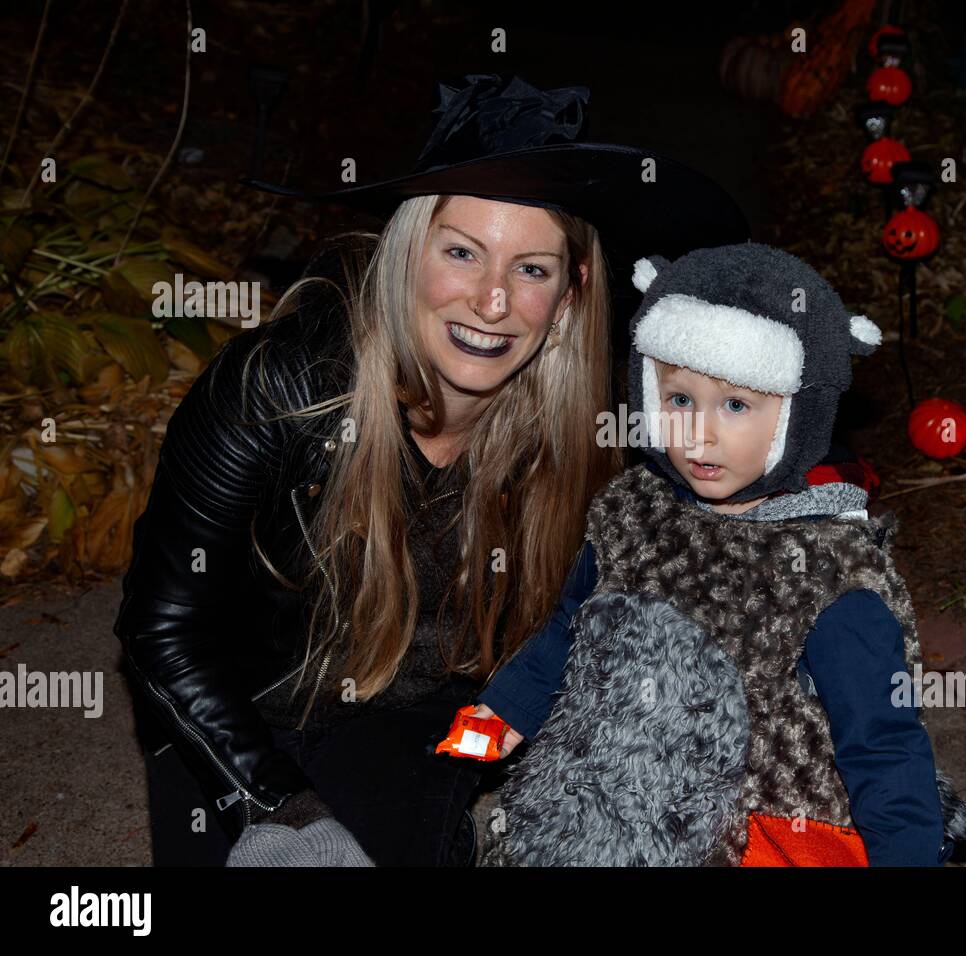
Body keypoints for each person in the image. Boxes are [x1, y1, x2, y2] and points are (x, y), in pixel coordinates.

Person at [112, 73, 749, 866]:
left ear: (571, 293)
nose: (491, 300)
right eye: (461, 252)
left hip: (407, 715)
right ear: (409, 255)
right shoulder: (277, 386)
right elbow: (162, 628)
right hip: (238, 713)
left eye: (531, 269)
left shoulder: (604, 430)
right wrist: (280, 805)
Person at [463, 243, 966, 866]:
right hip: (603, 795)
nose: (699, 433)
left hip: (748, 832)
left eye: (737, 405)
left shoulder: (828, 575)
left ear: (795, 414)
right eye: (680, 400)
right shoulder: (634, 514)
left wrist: (903, 853)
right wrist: (501, 715)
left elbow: (882, 740)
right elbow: (571, 627)